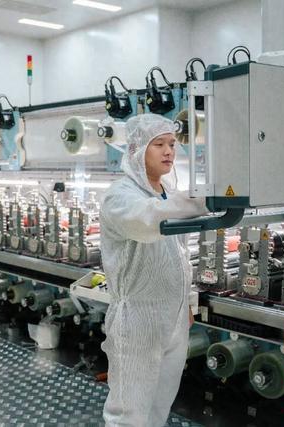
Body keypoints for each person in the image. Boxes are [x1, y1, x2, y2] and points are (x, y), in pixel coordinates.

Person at [100, 113, 209, 426]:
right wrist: (208, 198)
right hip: (138, 320)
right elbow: (149, 220)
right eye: (159, 144)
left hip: (173, 319)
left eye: (172, 144)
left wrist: (186, 304)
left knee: (159, 408)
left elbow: (179, 255)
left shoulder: (167, 194)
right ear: (137, 149)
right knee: (128, 414)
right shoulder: (121, 196)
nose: (169, 151)